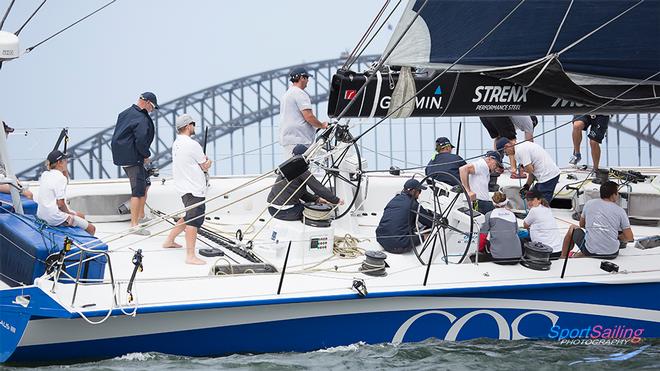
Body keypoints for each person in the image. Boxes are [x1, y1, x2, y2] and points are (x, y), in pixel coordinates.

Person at [162, 114, 212, 265]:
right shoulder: (193, 144)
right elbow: (205, 165)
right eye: (193, 124)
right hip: (194, 188)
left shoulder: (176, 143)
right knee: (193, 221)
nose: (194, 127)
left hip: (183, 186)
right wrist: (209, 161)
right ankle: (190, 256)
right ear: (188, 126)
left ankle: (169, 241)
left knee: (189, 216)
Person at [111, 92, 157, 235]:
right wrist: (146, 155)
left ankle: (141, 216)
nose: (152, 111)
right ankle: (134, 225)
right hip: (134, 158)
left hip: (124, 157)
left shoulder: (125, 113)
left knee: (146, 184)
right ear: (147, 102)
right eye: (153, 107)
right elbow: (141, 140)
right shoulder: (141, 118)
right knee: (137, 191)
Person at [267, 144, 342, 221]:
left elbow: (299, 192)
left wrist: (317, 199)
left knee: (311, 206)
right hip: (285, 211)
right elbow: (318, 188)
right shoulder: (302, 170)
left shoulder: (288, 168)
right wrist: (337, 200)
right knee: (316, 212)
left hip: (272, 209)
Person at [561, 181, 633, 259]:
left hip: (590, 251)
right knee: (620, 233)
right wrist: (618, 237)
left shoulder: (589, 204)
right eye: (617, 193)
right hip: (612, 254)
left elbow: (582, 225)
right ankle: (582, 253)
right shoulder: (620, 211)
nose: (618, 195)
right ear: (613, 195)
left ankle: (563, 256)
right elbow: (629, 237)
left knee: (572, 228)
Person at [36, 150, 95, 235]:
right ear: (59, 162)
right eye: (65, 160)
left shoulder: (45, 174)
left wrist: (64, 170)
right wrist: (68, 213)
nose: (67, 162)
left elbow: (65, 180)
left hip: (42, 215)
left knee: (81, 216)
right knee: (91, 229)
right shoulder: (60, 178)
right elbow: (60, 204)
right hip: (54, 218)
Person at [279, 67, 328, 157]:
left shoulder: (287, 94)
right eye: (307, 78)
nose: (308, 81)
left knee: (293, 169)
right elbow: (308, 116)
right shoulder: (300, 93)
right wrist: (322, 125)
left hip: (289, 140)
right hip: (300, 141)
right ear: (302, 78)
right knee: (303, 168)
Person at [376, 178, 434, 254]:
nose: (420, 194)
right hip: (398, 245)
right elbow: (430, 222)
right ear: (413, 191)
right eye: (419, 191)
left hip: (381, 239)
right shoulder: (414, 205)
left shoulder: (394, 200)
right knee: (428, 235)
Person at [497, 137, 561, 203]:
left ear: (507, 146)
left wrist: (524, 168)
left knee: (540, 204)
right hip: (544, 176)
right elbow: (532, 171)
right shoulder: (519, 147)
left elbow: (530, 169)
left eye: (505, 152)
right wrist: (527, 186)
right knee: (531, 198)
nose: (507, 155)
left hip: (548, 176)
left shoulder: (520, 150)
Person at [469, 192, 521, 264]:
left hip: (498, 258)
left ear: (493, 203)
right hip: (517, 258)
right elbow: (516, 233)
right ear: (506, 203)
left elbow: (482, 237)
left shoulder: (489, 215)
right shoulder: (512, 215)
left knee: (478, 253)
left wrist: (477, 251)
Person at [523, 189, 562, 258]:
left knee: (521, 239)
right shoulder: (547, 208)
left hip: (544, 253)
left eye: (532, 199)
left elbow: (525, 225)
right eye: (528, 200)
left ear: (539, 200)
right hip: (558, 251)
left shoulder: (534, 210)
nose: (529, 202)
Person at [0, 121, 33, 199]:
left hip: (4, 181)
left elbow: (7, 171)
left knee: (25, 191)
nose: (8, 134)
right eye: (6, 132)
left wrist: (18, 183)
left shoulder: (2, 150)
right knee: (28, 194)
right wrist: (19, 188)